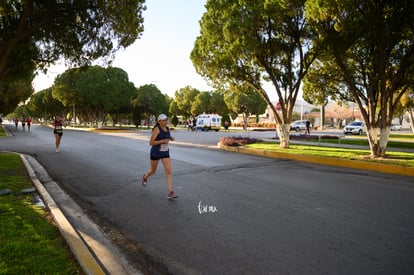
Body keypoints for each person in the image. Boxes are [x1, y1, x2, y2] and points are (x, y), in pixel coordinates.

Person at [141, 114, 177, 200]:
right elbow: (151, 142)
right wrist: (162, 141)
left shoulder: (167, 128)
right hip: (156, 152)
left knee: (168, 171)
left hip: (165, 152)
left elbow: (167, 136)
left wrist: (170, 138)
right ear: (159, 121)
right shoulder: (156, 129)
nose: (166, 122)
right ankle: (145, 176)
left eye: (166, 120)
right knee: (153, 171)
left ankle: (170, 192)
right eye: (164, 120)